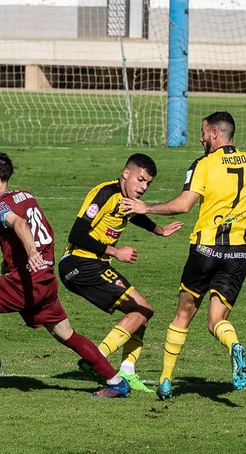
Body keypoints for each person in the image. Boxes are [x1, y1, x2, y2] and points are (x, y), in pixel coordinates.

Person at [0, 151, 132, 398]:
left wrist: (31, 253)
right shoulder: (26, 196)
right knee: (68, 335)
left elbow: (20, 224)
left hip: (25, 282)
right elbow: (42, 230)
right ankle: (117, 382)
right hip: (46, 280)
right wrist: (17, 261)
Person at [120, 112, 246, 399]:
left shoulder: (204, 164)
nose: (200, 137)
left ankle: (166, 380)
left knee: (183, 314)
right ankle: (233, 346)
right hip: (239, 255)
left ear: (215, 134)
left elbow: (184, 205)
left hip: (205, 251)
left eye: (203, 132)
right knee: (216, 319)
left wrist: (147, 209)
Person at [58, 153, 183, 392]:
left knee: (143, 314)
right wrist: (114, 252)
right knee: (142, 309)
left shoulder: (125, 199)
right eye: (140, 179)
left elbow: (133, 214)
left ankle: (127, 369)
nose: (143, 187)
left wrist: (159, 230)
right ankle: (96, 359)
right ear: (126, 173)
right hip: (79, 263)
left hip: (93, 265)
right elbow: (76, 234)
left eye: (148, 183)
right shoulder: (104, 193)